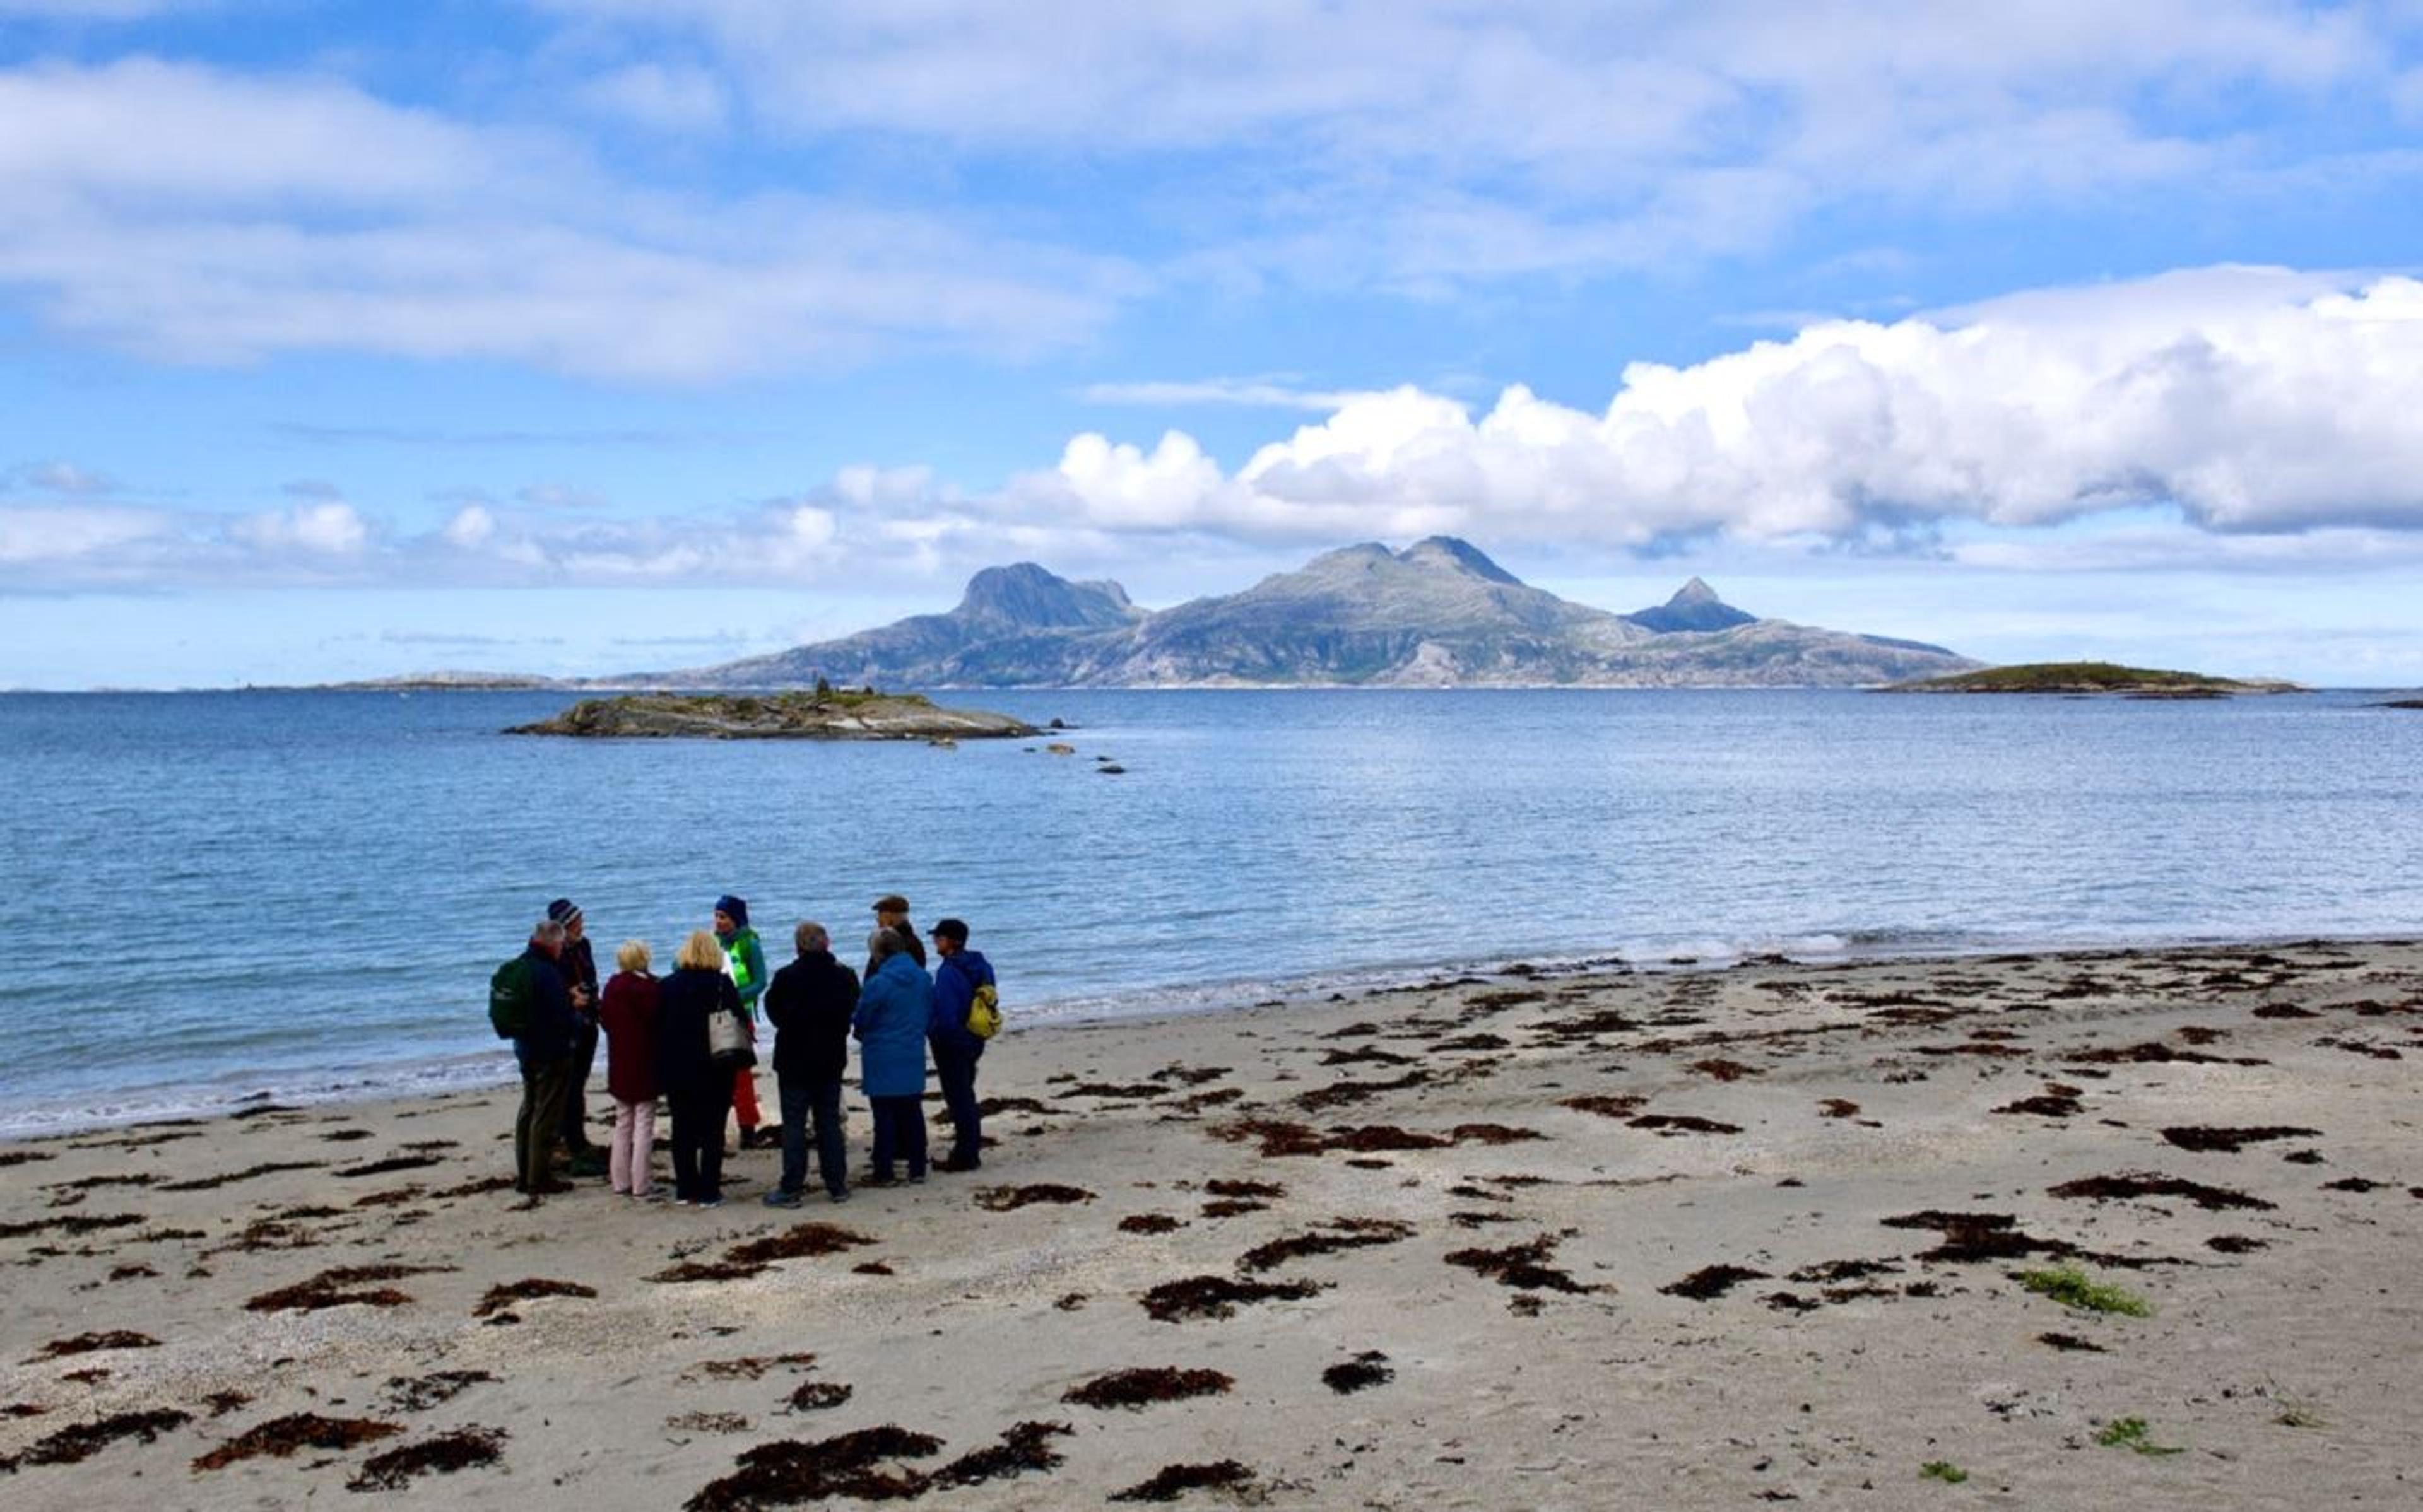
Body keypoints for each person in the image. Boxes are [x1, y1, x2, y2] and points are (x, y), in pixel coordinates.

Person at [760, 921, 859, 1206]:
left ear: (798, 946)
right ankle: (837, 1185)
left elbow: (775, 1012)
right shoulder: (843, 976)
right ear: (826, 944)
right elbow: (852, 1008)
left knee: (795, 1124)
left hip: (795, 1058)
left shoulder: (787, 977)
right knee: (827, 1121)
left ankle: (792, 1187)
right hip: (828, 1057)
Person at [657, 929, 743, 1209]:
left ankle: (685, 1188)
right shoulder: (722, 984)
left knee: (682, 1128)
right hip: (716, 1064)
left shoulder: (667, 985)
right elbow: (739, 1018)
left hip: (677, 1065)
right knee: (712, 1129)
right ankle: (709, 1189)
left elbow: (655, 1025)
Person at [851, 927, 933, 1186]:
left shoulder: (879, 983)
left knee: (884, 1115)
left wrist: (861, 1031)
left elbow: (863, 1017)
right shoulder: (923, 978)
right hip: (911, 1048)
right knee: (912, 1111)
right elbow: (929, 1010)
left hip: (882, 1052)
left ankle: (884, 1171)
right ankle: (917, 1168)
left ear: (879, 954)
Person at [510, 916, 579, 1200]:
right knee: (544, 1114)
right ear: (551, 944)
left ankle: (525, 1173)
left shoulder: (521, 966)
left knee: (529, 1108)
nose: (563, 949)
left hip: (526, 1048)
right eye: (561, 944)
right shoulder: (547, 972)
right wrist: (575, 1010)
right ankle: (538, 1178)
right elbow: (560, 1017)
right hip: (549, 1052)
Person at [926, 917, 995, 1173]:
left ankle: (966, 1155)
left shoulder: (948, 972)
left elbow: (946, 1014)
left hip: (952, 1042)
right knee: (965, 1094)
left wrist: (932, 1031)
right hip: (975, 1036)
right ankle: (969, 1149)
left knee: (959, 1099)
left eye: (940, 937)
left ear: (953, 941)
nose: (935, 941)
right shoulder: (981, 965)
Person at [598, 938, 663, 1200]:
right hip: (644, 1061)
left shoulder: (612, 986)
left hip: (620, 1061)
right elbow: (658, 1021)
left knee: (624, 1122)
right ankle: (641, 1183)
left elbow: (605, 1020)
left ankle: (620, 1181)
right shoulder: (648, 988)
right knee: (644, 1123)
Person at [714, 895, 772, 1149]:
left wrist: (734, 998)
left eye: (723, 917)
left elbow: (760, 982)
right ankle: (714, 1126)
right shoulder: (712, 942)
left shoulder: (750, 944)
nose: (718, 922)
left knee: (741, 1075)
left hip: (740, 1018)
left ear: (736, 919)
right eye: (716, 916)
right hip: (714, 1017)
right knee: (714, 1075)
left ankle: (747, 1128)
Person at [548, 898, 603, 1168]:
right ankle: (563, 1140)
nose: (582, 924)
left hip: (588, 1021)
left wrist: (593, 998)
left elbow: (591, 975)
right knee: (566, 1086)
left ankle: (577, 1138)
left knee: (578, 1083)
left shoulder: (583, 945)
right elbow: (548, 986)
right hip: (567, 1026)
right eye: (577, 920)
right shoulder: (553, 951)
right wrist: (569, 996)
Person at [865, 894, 927, 978]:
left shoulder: (890, 943)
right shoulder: (915, 942)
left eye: (881, 915)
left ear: (892, 917)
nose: (878, 920)